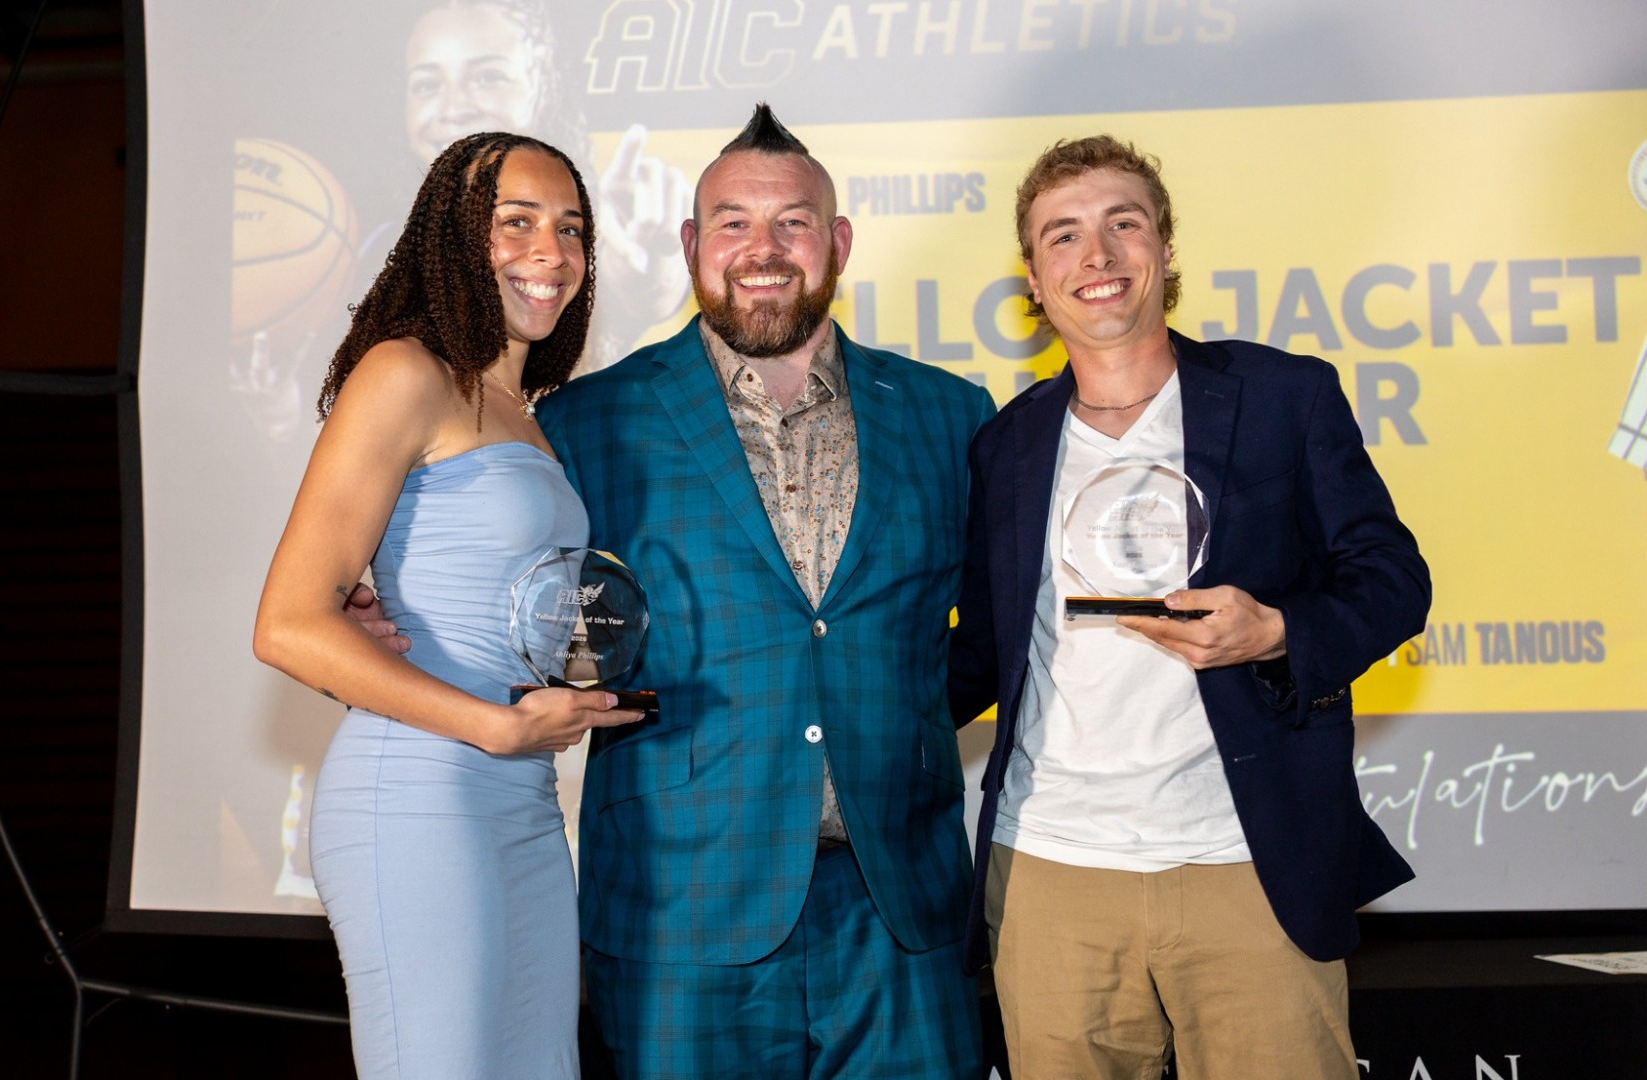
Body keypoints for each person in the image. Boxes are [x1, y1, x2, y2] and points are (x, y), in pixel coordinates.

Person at [948, 135, 1432, 1079]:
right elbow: (982, 655)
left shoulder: (1284, 397)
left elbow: (1392, 579)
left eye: (1123, 225)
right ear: (1035, 283)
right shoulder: (1003, 448)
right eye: (1064, 237)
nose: (1097, 256)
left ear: (1164, 251)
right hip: (1052, 871)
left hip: (1246, 860)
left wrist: (1278, 631)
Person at [539, 104, 992, 1078]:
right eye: (735, 222)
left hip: (899, 917)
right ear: (694, 244)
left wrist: (882, 717)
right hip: (679, 920)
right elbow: (537, 625)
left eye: (793, 221)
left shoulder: (951, 417)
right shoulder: (588, 421)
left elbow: (987, 636)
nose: (765, 248)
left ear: (837, 243)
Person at [252, 131, 643, 1079]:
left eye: (571, 229)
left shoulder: (527, 413)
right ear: (455, 237)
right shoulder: (405, 371)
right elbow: (287, 623)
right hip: (419, 795)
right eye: (517, 223)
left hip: (518, 802)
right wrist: (490, 725)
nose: (552, 253)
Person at [394, 0, 690, 371]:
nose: (454, 106)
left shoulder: (528, 389)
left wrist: (646, 279)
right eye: (427, 84)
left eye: (488, 77)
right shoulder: (403, 367)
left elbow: (640, 287)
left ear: (543, 87)